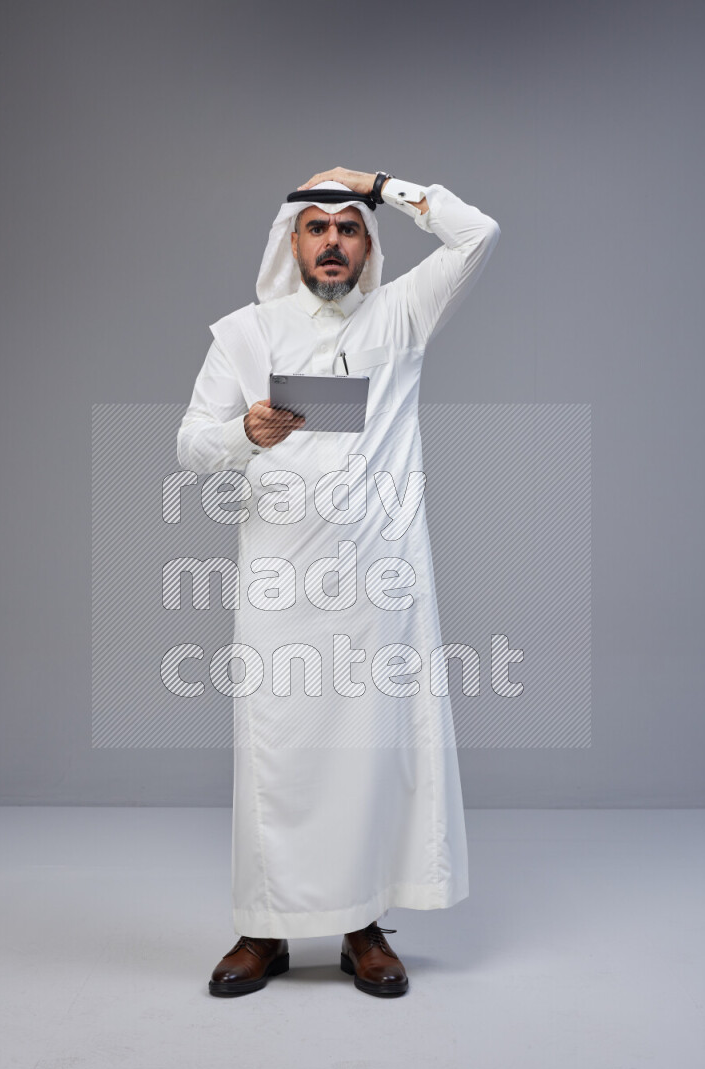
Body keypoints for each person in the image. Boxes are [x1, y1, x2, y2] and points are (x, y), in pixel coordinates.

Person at [177, 167, 500, 998]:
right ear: (292, 242)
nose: (331, 240)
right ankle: (265, 928)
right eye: (315, 227)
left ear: (367, 244)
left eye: (347, 227)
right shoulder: (247, 333)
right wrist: (244, 431)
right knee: (278, 752)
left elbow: (477, 234)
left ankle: (362, 927)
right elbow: (189, 444)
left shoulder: (403, 315)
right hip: (280, 583)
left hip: (379, 585)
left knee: (367, 751)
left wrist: (381, 183)